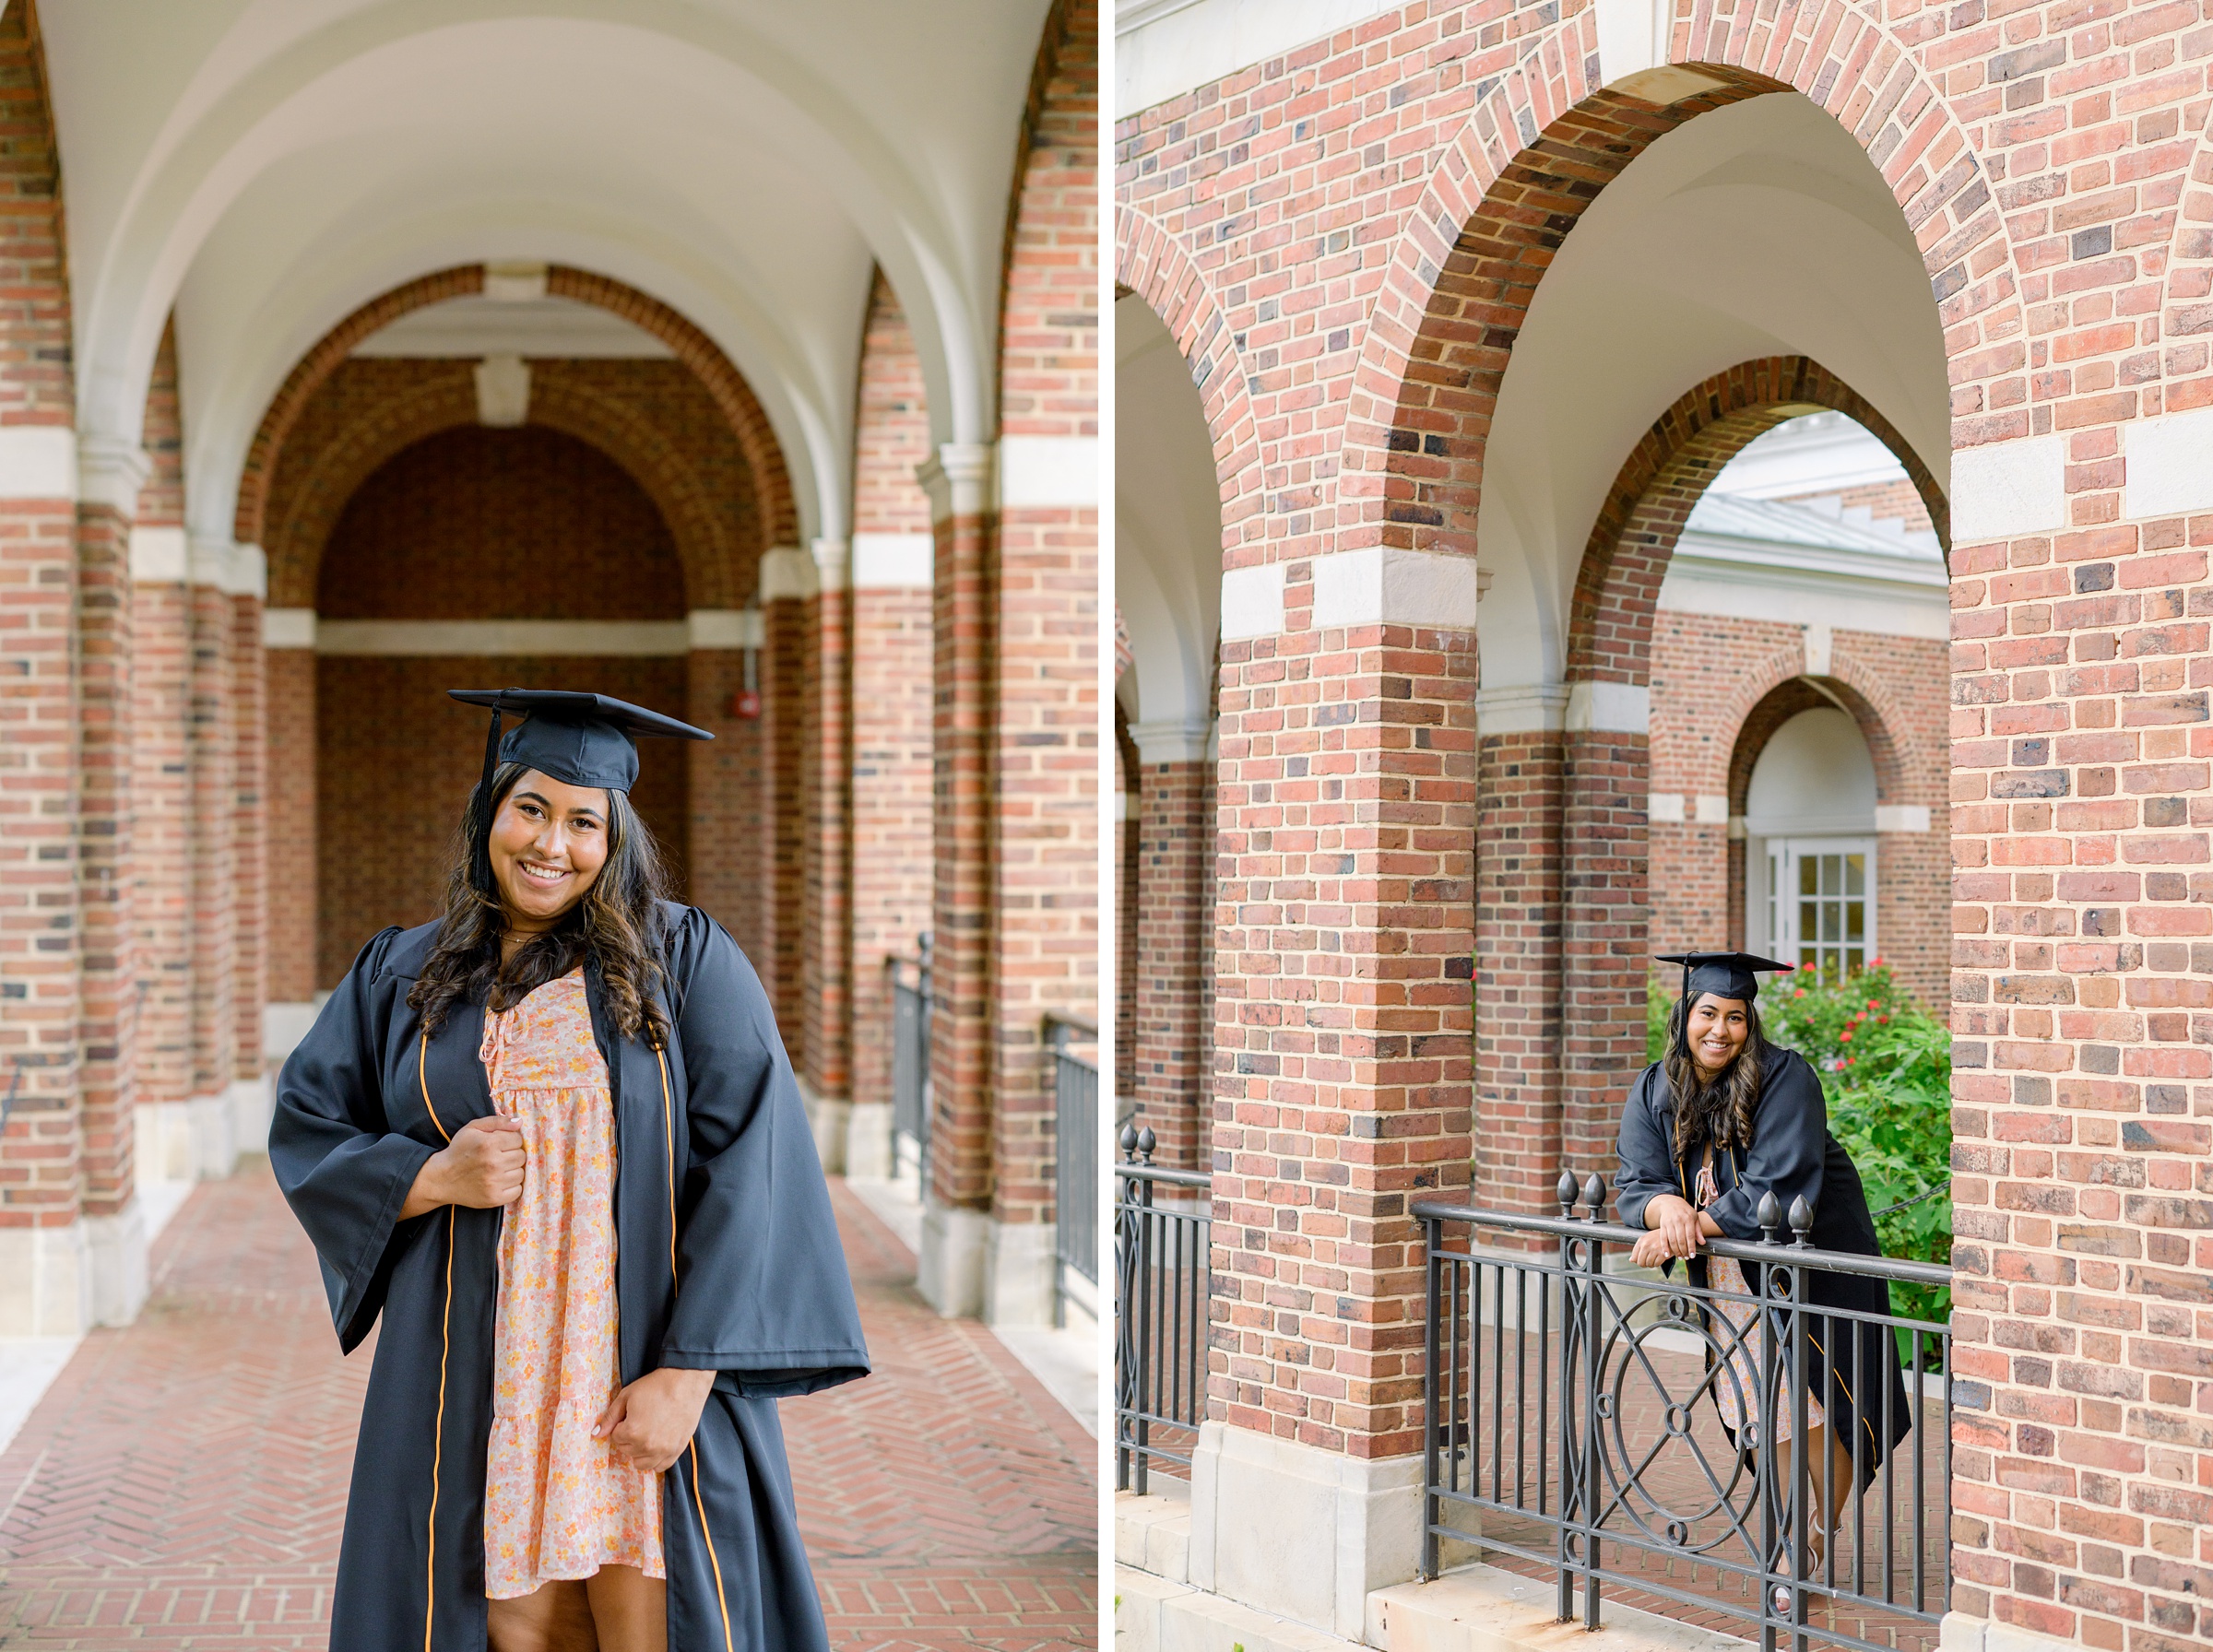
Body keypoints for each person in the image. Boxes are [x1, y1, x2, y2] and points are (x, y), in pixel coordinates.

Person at [271, 689, 869, 1652]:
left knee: (652, 1619)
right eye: (531, 809)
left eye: (583, 820)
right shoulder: (402, 971)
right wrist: (432, 1178)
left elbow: (752, 1161)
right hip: (479, 1370)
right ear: (491, 815)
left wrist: (688, 1372)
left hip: (632, 1368)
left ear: (614, 836)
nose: (552, 843)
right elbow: (305, 1120)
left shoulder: (685, 959)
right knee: (499, 1621)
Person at [1614, 950, 1909, 1615]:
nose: (1720, 1030)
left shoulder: (1786, 1080)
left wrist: (1684, 1226)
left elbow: (1775, 1187)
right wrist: (1667, 1213)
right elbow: (1638, 1180)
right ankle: (1791, 1538)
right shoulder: (1656, 1089)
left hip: (1814, 1268)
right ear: (1685, 1016)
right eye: (1708, 1014)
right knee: (1762, 1411)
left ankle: (1808, 1535)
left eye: (1735, 1017)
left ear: (1751, 1021)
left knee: (1824, 1408)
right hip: (1730, 1278)